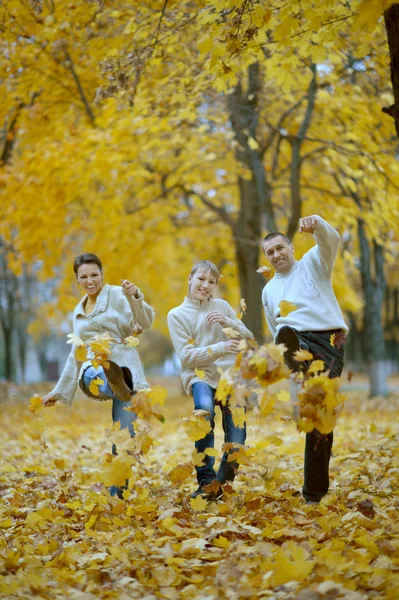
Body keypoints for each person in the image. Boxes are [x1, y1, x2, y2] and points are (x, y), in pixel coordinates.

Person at [43, 253, 155, 497]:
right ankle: (112, 381)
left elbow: (145, 321)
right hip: (93, 366)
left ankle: (118, 496)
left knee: (124, 437)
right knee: (100, 370)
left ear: (102, 274)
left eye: (94, 274)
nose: (90, 280)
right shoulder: (78, 310)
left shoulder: (116, 294)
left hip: (124, 364)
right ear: (77, 279)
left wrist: (135, 296)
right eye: (84, 276)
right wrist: (60, 390)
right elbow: (76, 353)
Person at [261, 215, 348, 504]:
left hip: (329, 340)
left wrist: (319, 224)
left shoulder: (314, 263)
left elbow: (331, 240)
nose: (276, 255)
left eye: (279, 248)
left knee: (321, 418)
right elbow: (276, 330)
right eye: (270, 252)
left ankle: (315, 493)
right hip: (294, 340)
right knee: (286, 333)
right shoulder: (268, 291)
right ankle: (297, 363)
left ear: (291, 248)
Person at [167, 260, 254, 500]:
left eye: (211, 282)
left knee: (238, 437)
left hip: (229, 377)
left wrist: (229, 322)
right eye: (201, 279)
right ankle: (205, 482)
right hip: (200, 376)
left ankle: (222, 484)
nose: (205, 285)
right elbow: (186, 356)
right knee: (204, 412)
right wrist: (220, 347)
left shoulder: (223, 307)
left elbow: (249, 338)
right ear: (190, 278)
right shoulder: (177, 315)